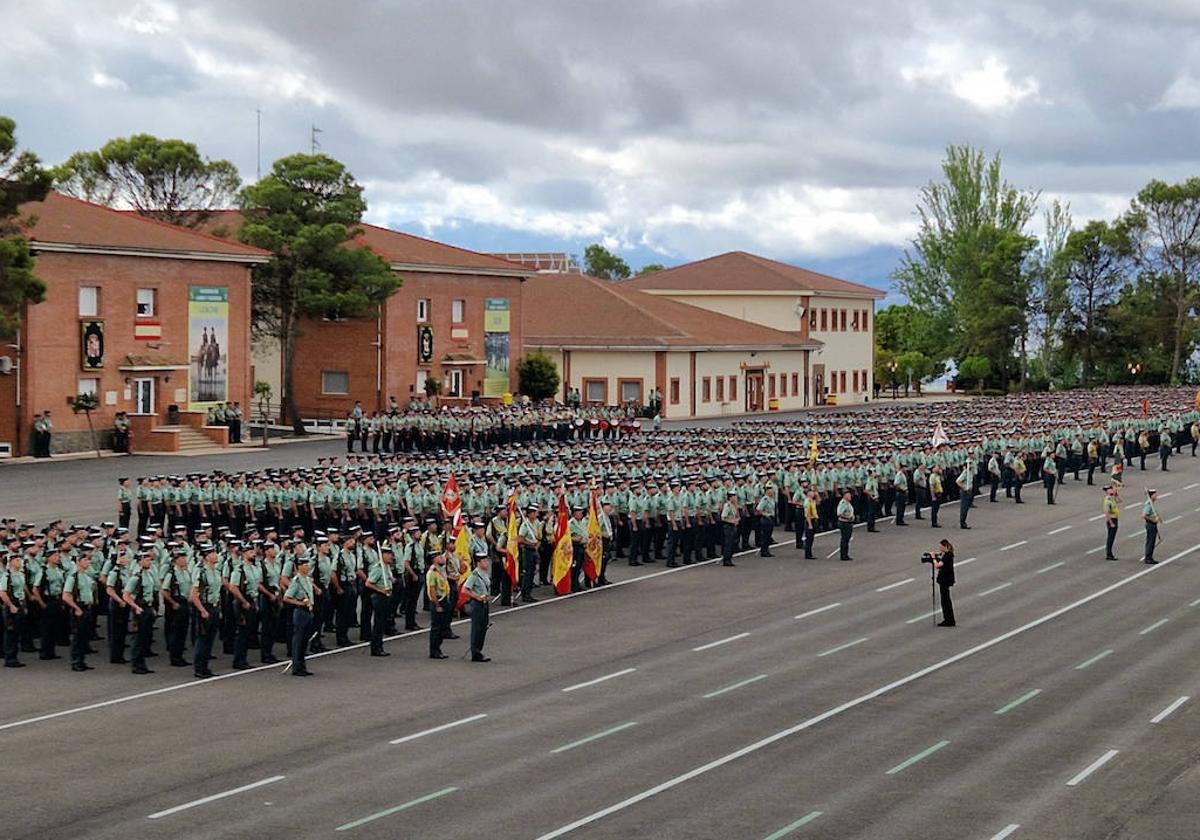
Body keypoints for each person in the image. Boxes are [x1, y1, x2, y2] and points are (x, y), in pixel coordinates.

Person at [122, 551, 159, 675]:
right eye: (147, 560)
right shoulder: (136, 577)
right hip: (140, 608)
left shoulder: (148, 575)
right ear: (140, 561)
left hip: (147, 608)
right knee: (137, 638)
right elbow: (126, 596)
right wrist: (135, 607)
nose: (150, 562)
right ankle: (136, 664)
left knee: (145, 637)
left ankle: (142, 663)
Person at [189, 546, 222, 679]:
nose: (215, 555)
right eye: (212, 553)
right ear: (206, 557)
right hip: (205, 607)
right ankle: (199, 668)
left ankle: (205, 666)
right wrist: (202, 610)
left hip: (214, 607)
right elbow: (194, 595)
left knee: (210, 639)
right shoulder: (202, 573)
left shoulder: (216, 572)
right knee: (202, 639)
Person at [62, 548, 97, 671]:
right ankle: (76, 661)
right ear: (79, 562)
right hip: (79, 608)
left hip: (87, 608)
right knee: (77, 637)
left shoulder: (87, 577)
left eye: (89, 560)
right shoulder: (73, 577)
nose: (88, 562)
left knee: (84, 636)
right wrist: (76, 608)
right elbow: (66, 596)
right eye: (86, 560)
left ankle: (81, 660)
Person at [282, 555, 317, 676]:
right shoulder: (296, 581)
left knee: (305, 641)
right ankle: (297, 667)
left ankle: (302, 666)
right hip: (300, 611)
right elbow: (286, 598)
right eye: (305, 565)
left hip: (308, 611)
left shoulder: (307, 579)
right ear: (299, 567)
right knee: (299, 640)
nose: (308, 567)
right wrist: (300, 603)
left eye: (308, 565)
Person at [365, 546, 394, 657]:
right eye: (389, 554)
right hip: (379, 597)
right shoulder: (378, 568)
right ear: (383, 555)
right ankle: (376, 647)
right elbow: (368, 583)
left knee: (382, 622)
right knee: (379, 623)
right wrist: (381, 590)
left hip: (386, 597)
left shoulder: (386, 567)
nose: (391, 556)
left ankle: (379, 645)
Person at [463, 550, 491, 662]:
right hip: (477, 604)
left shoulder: (485, 574)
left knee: (483, 628)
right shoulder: (475, 575)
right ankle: (475, 652)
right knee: (477, 629)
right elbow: (465, 590)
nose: (487, 563)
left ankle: (479, 650)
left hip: (484, 603)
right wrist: (476, 596)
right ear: (478, 563)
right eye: (484, 561)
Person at [1, 553, 28, 667]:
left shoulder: (21, 574)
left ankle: (14, 657)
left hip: (20, 603)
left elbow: (22, 591)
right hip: (11, 604)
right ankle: (10, 658)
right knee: (10, 632)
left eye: (20, 560)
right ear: (11, 562)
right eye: (17, 560)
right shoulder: (6, 576)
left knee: (17, 631)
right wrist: (11, 605)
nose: (19, 562)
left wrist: (24, 606)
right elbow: (2, 593)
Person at [426, 549, 451, 659]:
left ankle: (438, 649)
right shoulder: (432, 573)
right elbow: (432, 590)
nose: (442, 558)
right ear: (434, 560)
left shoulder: (441, 570)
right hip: (438, 601)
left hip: (444, 599)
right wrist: (437, 605)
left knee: (442, 627)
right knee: (436, 628)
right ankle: (434, 651)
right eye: (439, 557)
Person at [933, 539, 956, 627]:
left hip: (944, 580)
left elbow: (938, 566)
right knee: (946, 600)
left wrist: (934, 558)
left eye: (941, 546)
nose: (940, 548)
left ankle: (948, 620)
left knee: (945, 600)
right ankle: (950, 619)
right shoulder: (949, 555)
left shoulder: (947, 555)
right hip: (946, 580)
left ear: (945, 546)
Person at [1143, 489, 1161, 565]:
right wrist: (1153, 520)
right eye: (1155, 495)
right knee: (1150, 541)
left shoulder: (1151, 503)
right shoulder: (1148, 504)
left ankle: (1149, 556)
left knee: (1152, 541)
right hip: (1150, 524)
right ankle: (1148, 557)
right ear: (1151, 495)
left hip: (1153, 524)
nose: (1156, 496)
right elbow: (1144, 515)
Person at [1102, 485, 1120, 561]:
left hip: (1115, 519)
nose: (1112, 490)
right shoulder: (1107, 501)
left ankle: (1110, 553)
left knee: (1112, 537)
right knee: (1110, 538)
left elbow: (1119, 501)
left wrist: (1116, 494)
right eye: (1110, 489)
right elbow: (1107, 513)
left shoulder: (1111, 499)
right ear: (1107, 491)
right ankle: (1109, 554)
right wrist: (1111, 522)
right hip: (1112, 520)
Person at [836, 491, 854, 561]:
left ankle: (845, 554)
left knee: (847, 539)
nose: (850, 497)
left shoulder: (848, 503)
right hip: (844, 523)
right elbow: (839, 513)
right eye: (848, 495)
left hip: (848, 522)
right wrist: (848, 517)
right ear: (845, 496)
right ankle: (843, 555)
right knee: (844, 539)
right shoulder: (843, 503)